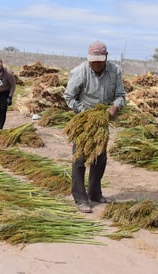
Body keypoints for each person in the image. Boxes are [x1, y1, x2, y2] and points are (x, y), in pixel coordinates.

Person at [63, 40, 126, 213]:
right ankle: (80, 198)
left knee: (100, 158)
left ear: (106, 57)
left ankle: (95, 193)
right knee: (80, 159)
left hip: (103, 120)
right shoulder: (80, 72)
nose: (96, 64)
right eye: (93, 61)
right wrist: (86, 113)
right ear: (88, 59)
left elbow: (121, 95)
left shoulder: (115, 72)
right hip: (84, 120)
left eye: (100, 60)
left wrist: (115, 106)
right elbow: (69, 97)